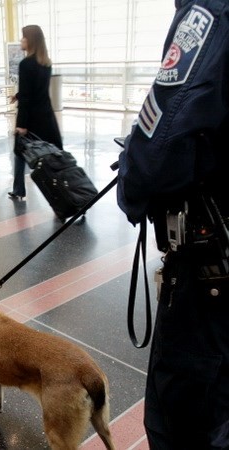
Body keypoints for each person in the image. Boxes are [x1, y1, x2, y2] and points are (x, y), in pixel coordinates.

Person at [117, 1, 229, 448]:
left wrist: (132, 179)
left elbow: (158, 143)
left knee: (183, 425)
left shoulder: (209, 12)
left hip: (211, 286)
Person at [8, 25, 63, 200]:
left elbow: (27, 97)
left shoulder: (26, 64)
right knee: (53, 157)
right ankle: (62, 192)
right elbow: (35, 90)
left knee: (20, 151)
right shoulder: (45, 62)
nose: (21, 40)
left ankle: (19, 190)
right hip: (46, 116)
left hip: (31, 119)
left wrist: (22, 125)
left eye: (23, 37)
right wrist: (18, 95)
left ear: (30, 40)